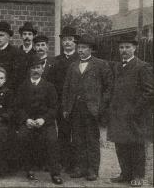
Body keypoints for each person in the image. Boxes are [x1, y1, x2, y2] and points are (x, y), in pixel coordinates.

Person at [62, 34, 112, 181]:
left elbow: (109, 88)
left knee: (92, 139)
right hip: (75, 108)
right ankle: (80, 167)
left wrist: (101, 106)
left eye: (84, 47)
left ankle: (92, 170)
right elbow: (66, 88)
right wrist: (66, 107)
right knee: (77, 139)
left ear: (91, 49)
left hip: (92, 109)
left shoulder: (101, 64)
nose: (80, 50)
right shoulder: (73, 66)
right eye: (79, 47)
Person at [108, 35, 154, 188]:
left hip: (136, 115)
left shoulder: (143, 66)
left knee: (136, 145)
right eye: (121, 47)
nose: (124, 50)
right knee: (121, 144)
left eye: (127, 47)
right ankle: (125, 173)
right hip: (119, 114)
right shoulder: (117, 67)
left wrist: (135, 110)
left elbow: (149, 92)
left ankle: (138, 176)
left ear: (134, 48)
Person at [14, 55, 63, 185]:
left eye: (39, 68)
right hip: (29, 121)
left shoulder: (49, 86)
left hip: (45, 123)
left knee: (52, 140)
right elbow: (18, 107)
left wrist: (43, 119)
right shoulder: (23, 86)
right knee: (23, 137)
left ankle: (55, 173)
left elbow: (54, 107)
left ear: (42, 70)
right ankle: (29, 168)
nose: (36, 70)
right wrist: (26, 119)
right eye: (33, 68)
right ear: (29, 70)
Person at [47, 25, 80, 173]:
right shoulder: (56, 61)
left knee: (77, 133)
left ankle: (76, 165)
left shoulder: (80, 59)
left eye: (70, 40)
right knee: (63, 132)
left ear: (75, 42)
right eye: (64, 40)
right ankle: (64, 162)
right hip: (61, 103)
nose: (67, 43)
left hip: (77, 104)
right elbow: (51, 84)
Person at [0, 21, 23, 89]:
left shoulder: (16, 52)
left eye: (1, 35)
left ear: (8, 37)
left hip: (9, 90)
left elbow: (17, 75)